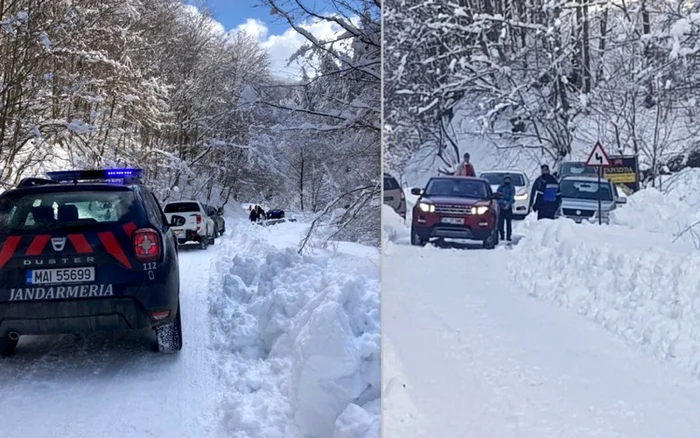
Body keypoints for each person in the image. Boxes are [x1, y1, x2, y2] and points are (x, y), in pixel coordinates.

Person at [496, 174, 515, 241]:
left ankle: (508, 236)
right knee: (501, 222)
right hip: (501, 207)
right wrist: (503, 203)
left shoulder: (512, 188)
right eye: (506, 179)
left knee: (508, 223)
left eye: (508, 179)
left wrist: (508, 204)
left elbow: (512, 197)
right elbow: (498, 197)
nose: (507, 180)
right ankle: (502, 236)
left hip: (509, 208)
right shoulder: (500, 187)